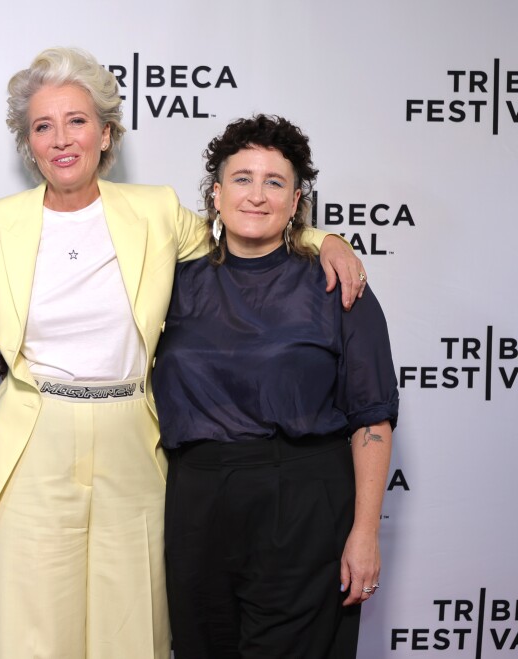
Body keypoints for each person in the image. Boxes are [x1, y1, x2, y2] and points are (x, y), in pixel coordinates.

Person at [0, 49, 366, 659]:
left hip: (131, 435)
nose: (61, 139)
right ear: (28, 143)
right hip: (32, 436)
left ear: (106, 133)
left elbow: (243, 224)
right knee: (30, 627)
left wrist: (325, 238)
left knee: (130, 623)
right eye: (43, 126)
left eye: (77, 121)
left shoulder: (152, 210)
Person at [154, 114, 398, 658]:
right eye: (242, 179)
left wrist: (365, 534)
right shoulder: (172, 286)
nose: (257, 196)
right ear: (215, 195)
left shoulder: (337, 285)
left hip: (303, 499)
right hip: (196, 502)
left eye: (274, 182)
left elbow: (371, 419)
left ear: (296, 201)